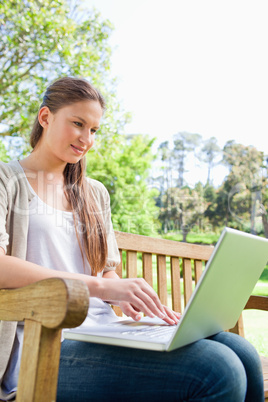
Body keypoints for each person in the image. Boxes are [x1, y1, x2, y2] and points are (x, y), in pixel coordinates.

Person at [0, 77, 264, 402]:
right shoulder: (7, 181)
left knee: (242, 352)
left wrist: (124, 295)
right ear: (45, 118)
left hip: (104, 330)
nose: (87, 139)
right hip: (43, 346)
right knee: (217, 370)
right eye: (78, 124)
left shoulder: (94, 193)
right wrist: (100, 287)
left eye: (94, 130)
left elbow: (105, 272)